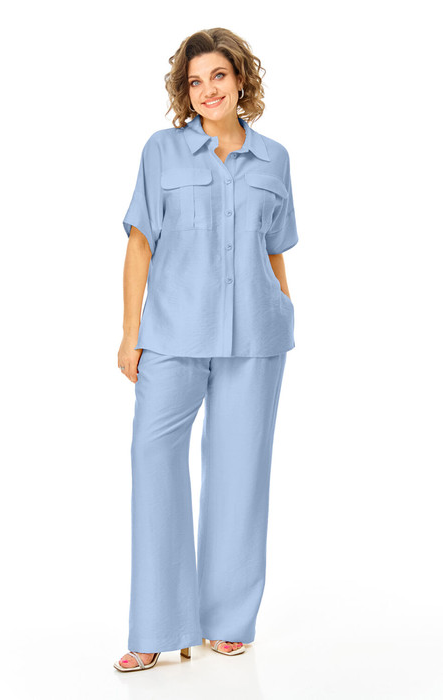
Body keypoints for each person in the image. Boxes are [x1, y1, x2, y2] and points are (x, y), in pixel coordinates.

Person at [114, 27, 299, 672]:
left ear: (241, 79)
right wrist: (131, 332)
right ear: (184, 91)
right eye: (195, 81)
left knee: (239, 474)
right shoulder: (161, 150)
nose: (207, 89)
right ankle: (155, 627)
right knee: (152, 460)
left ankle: (227, 620)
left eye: (218, 75)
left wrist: (284, 306)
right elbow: (140, 242)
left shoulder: (274, 159)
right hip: (172, 333)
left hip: (256, 336)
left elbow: (275, 248)